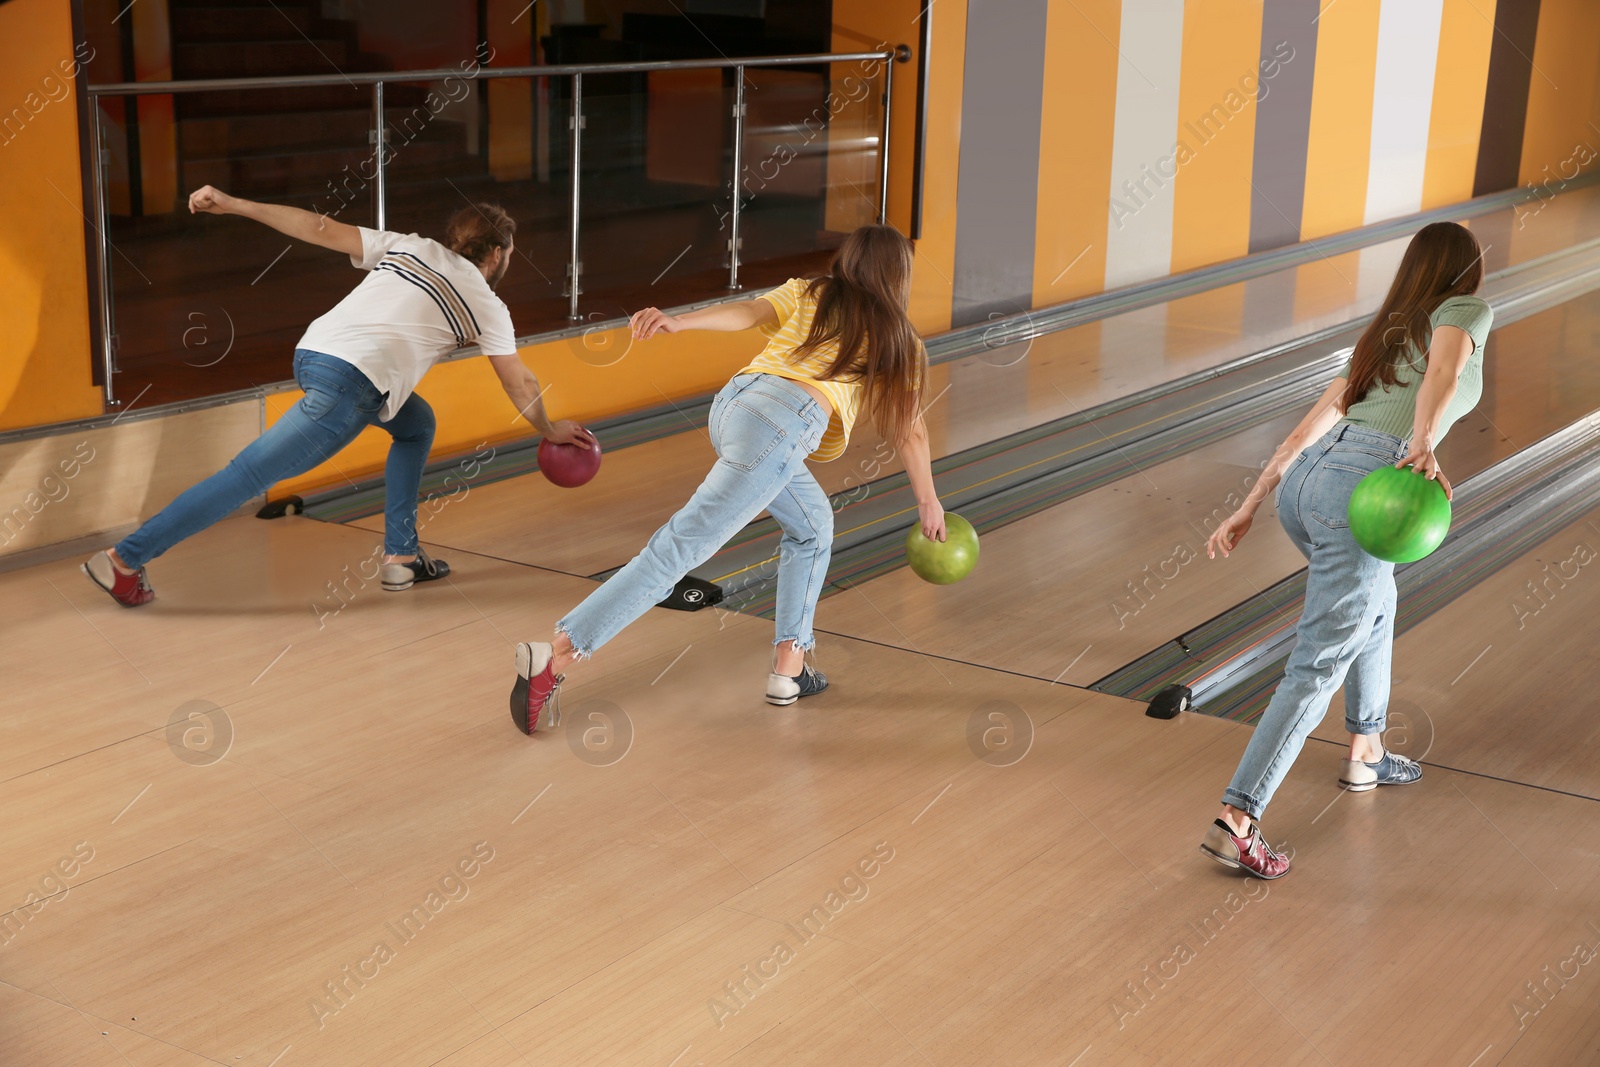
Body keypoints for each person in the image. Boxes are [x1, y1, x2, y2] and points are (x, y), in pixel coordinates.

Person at [509, 224, 943, 733]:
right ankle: (557, 654)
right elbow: (910, 432)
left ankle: (790, 666)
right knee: (678, 549)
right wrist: (928, 502)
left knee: (813, 526)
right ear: (899, 276)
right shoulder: (899, 338)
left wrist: (681, 322)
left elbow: (748, 312)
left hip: (735, 406)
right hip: (782, 426)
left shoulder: (812, 291)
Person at [82, 185, 591, 607]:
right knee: (246, 476)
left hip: (313, 355)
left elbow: (317, 227)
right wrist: (549, 429)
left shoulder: (409, 246)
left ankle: (401, 556)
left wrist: (238, 204)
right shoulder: (488, 304)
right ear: (499, 252)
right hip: (349, 386)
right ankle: (124, 559)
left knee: (415, 424)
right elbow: (518, 381)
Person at [1199, 221, 1493, 879]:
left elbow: (1312, 423)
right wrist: (1421, 443)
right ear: (1464, 268)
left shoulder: (1388, 327)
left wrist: (1253, 501)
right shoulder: (1467, 309)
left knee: (1376, 600)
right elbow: (1443, 373)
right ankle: (1237, 819)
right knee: (1318, 662)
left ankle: (1366, 747)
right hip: (1365, 491)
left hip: (1308, 485)